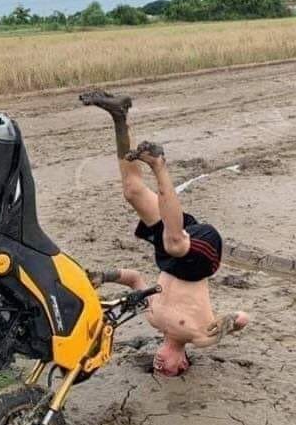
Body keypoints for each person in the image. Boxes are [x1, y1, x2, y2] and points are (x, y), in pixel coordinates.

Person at [80, 89, 248, 377]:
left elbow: (134, 279)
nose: (160, 367)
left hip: (173, 248)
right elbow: (244, 318)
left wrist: (103, 276)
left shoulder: (153, 319)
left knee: (132, 192)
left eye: (156, 370)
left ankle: (119, 116)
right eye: (168, 371)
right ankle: (159, 164)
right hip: (201, 257)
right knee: (174, 243)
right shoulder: (199, 337)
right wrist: (228, 322)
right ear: (183, 364)